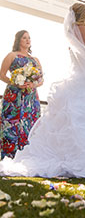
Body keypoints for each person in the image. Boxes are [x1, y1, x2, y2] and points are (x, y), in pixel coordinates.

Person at [0, 3, 85, 178]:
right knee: (83, 120)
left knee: (83, 120)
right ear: (83, 15)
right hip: (83, 82)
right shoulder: (80, 28)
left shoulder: (76, 31)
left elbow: (84, 60)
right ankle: (83, 159)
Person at [0, 30, 43, 159]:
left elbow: (41, 79)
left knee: (31, 122)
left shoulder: (35, 59)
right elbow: (2, 74)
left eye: (29, 38)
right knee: (11, 122)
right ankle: (9, 154)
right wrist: (15, 82)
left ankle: (28, 155)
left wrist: (33, 85)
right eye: (24, 38)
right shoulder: (12, 55)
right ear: (18, 40)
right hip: (14, 95)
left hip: (31, 97)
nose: (27, 40)